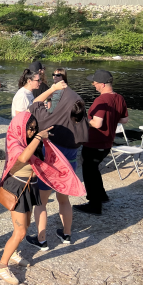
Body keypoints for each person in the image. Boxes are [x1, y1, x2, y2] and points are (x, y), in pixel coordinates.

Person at [0, 112, 84, 285]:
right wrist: (38, 138)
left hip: (29, 186)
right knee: (20, 231)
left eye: (35, 129)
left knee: (25, 227)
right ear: (21, 128)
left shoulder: (30, 141)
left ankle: (12, 253)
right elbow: (22, 157)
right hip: (17, 188)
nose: (32, 132)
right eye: (30, 129)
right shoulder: (15, 141)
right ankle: (1, 265)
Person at [25, 79, 88, 250]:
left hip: (51, 167)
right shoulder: (79, 121)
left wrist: (52, 89)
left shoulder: (52, 121)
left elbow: (35, 103)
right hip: (69, 166)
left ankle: (42, 239)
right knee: (64, 201)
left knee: (41, 203)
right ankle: (66, 234)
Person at [75, 70, 128, 215]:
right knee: (94, 169)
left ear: (103, 84)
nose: (93, 84)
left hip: (95, 142)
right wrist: (111, 119)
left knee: (89, 171)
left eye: (95, 82)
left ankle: (94, 205)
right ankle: (102, 196)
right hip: (108, 142)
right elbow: (124, 120)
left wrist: (82, 121)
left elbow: (97, 124)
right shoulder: (119, 98)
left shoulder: (101, 100)